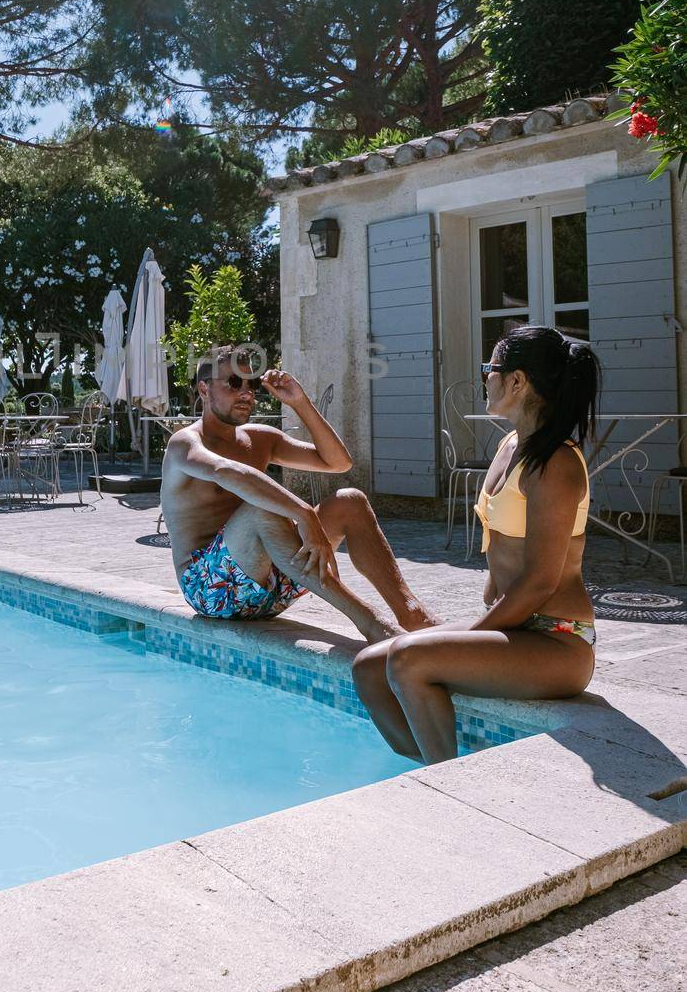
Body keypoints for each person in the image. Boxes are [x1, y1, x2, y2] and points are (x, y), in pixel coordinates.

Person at [353, 325, 601, 765]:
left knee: (410, 659)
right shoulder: (510, 445)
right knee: (369, 667)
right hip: (515, 626)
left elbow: (541, 582)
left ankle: (448, 789)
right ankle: (423, 773)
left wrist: (475, 631)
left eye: (490, 367)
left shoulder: (556, 463)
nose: (484, 376)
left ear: (517, 381)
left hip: (557, 639)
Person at [160, 347, 438, 642]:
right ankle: (372, 623)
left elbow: (338, 462)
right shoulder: (186, 444)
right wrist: (304, 514)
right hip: (211, 591)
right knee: (260, 509)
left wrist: (301, 403)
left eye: (252, 384)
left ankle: (412, 614)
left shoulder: (260, 439)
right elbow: (226, 472)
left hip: (275, 583)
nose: (246, 392)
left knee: (350, 501)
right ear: (204, 388)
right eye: (233, 382)